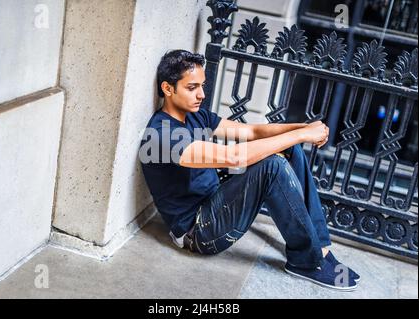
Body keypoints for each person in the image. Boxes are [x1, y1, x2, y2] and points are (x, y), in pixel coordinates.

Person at [139, 49, 360, 291]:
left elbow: (252, 132)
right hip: (198, 231)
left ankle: (321, 247)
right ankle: (305, 263)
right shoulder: (162, 135)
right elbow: (233, 157)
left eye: (202, 86)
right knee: (272, 165)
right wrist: (303, 134)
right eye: (192, 88)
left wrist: (302, 128)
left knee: (290, 149)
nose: (201, 94)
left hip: (215, 199)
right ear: (168, 89)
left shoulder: (195, 116)